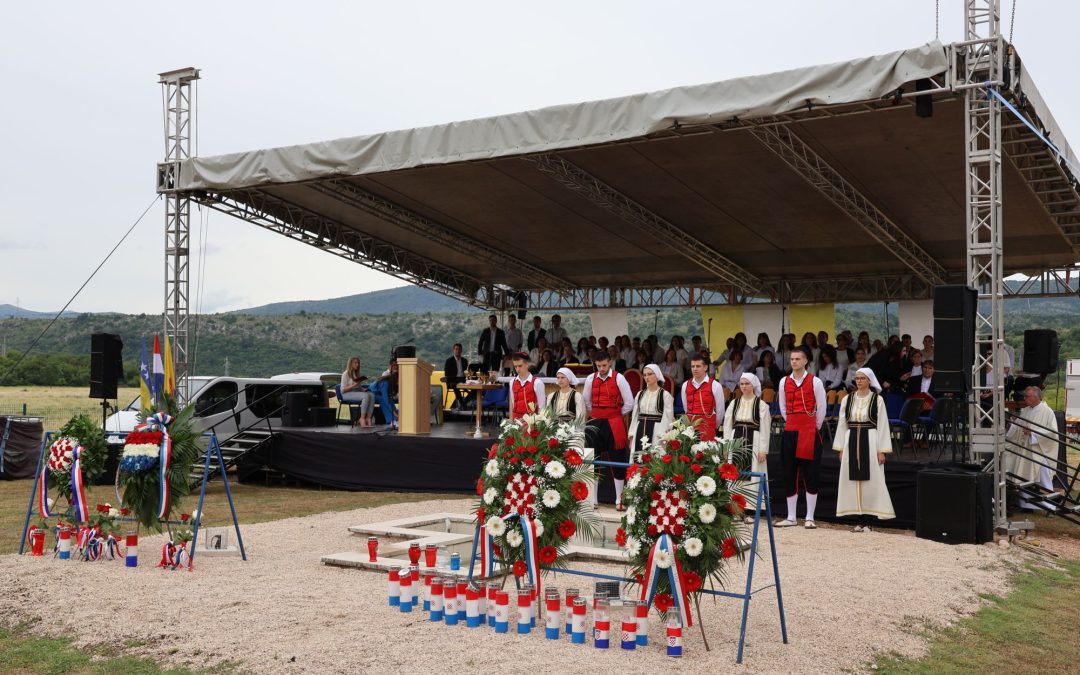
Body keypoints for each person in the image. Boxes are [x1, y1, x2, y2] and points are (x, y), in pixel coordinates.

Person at [833, 368, 895, 531]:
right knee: (853, 481)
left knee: (872, 481)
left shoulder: (877, 400)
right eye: (857, 378)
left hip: (871, 439)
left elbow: (882, 425)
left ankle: (869, 520)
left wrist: (882, 450)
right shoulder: (848, 399)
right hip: (851, 439)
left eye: (862, 378)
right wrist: (840, 448)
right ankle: (859, 520)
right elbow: (842, 423)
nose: (859, 381)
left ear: (869, 380)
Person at [776, 346, 827, 529]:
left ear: (806, 361)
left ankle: (809, 516)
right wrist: (792, 423)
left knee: (810, 473)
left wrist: (813, 426)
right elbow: (782, 406)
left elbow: (821, 408)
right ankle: (791, 516)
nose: (794, 362)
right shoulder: (783, 382)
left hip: (809, 431)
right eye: (792, 359)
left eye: (798, 359)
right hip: (790, 430)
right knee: (789, 472)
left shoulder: (815, 382)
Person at [583, 351, 635, 509]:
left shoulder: (619, 378)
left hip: (614, 421)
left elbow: (629, 402)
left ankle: (619, 500)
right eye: (598, 366)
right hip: (595, 421)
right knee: (592, 459)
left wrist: (615, 414)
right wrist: (597, 414)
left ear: (610, 362)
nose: (601, 368)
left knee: (618, 458)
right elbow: (586, 400)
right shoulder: (590, 378)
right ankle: (593, 499)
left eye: (604, 365)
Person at [723, 372, 771, 522]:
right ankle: (737, 510)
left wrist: (763, 450)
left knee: (752, 474)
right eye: (742, 384)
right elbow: (727, 425)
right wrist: (726, 446)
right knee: (736, 474)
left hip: (754, 440)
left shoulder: (761, 405)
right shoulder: (734, 403)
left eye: (747, 384)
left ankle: (749, 511)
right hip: (736, 438)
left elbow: (765, 428)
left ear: (753, 385)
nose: (744, 386)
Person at [1005, 387, 1060, 510]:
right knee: (1024, 475)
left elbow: (1052, 432)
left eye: (1027, 396)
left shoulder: (1047, 411)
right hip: (1025, 449)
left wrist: (1033, 433)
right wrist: (1012, 426)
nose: (1024, 398)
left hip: (1040, 451)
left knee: (1044, 478)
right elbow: (1018, 425)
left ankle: (1050, 506)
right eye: (1025, 396)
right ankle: (1027, 505)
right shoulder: (1026, 410)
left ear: (1036, 397)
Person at [627, 364, 675, 457]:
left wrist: (664, 438)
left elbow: (668, 418)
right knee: (638, 460)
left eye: (649, 374)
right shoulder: (640, 394)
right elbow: (635, 416)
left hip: (656, 432)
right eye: (644, 375)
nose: (646, 377)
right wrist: (632, 436)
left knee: (654, 459)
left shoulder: (665, 395)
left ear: (657, 375)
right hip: (639, 430)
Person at [681, 354, 725, 441]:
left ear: (705, 367)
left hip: (708, 427)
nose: (695, 369)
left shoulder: (715, 385)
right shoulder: (685, 385)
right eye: (692, 366)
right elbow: (686, 408)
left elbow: (720, 411)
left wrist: (712, 425)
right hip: (690, 427)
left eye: (698, 366)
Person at [508, 352, 546, 420]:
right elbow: (512, 404)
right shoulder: (512, 382)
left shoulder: (537, 383)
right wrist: (511, 423)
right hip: (516, 421)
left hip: (532, 422)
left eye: (520, 366)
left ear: (527, 364)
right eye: (515, 366)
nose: (517, 369)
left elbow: (542, 407)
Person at [339, 356, 375, 427]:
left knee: (371, 395)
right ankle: (362, 418)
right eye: (355, 363)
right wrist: (354, 385)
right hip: (346, 394)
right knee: (366, 396)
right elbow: (343, 390)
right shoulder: (345, 374)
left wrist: (363, 390)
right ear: (350, 364)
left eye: (358, 363)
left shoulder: (356, 374)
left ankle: (368, 418)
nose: (357, 364)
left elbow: (358, 387)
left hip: (355, 392)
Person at [443, 343, 473, 410]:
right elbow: (447, 374)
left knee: (475, 389)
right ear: (453, 350)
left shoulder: (464, 361)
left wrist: (468, 377)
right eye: (456, 349)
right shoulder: (449, 361)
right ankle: (463, 405)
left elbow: (467, 372)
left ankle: (463, 403)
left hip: (463, 379)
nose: (457, 351)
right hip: (453, 381)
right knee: (455, 386)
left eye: (459, 349)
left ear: (461, 351)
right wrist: (455, 380)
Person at [372, 358, 400, 428]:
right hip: (372, 393)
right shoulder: (385, 383)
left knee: (387, 400)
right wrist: (395, 413)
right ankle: (393, 420)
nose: (395, 367)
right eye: (394, 365)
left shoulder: (390, 380)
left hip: (380, 393)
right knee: (385, 401)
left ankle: (393, 420)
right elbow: (386, 398)